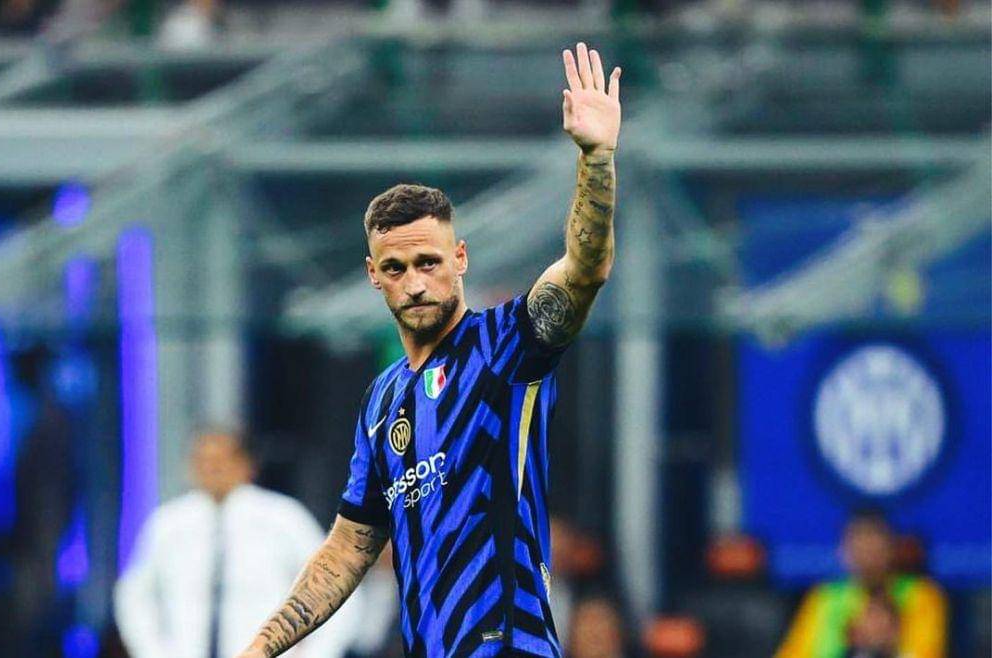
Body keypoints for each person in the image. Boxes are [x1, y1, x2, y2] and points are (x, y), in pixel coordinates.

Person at [236, 41, 621, 658]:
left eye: (429, 262)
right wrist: (261, 646)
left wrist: (596, 159)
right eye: (396, 267)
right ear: (374, 275)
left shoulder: (505, 343)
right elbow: (349, 547)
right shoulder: (383, 400)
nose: (415, 282)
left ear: (459, 259)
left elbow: (585, 270)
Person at [115, 428, 363, 658]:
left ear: (246, 464)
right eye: (203, 461)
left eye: (220, 461)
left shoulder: (283, 519)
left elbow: (338, 587)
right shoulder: (168, 524)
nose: (211, 469)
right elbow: (134, 598)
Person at [775, 510, 948, 658]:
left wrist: (885, 649)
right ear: (843, 551)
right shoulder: (825, 596)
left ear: (891, 548)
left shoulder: (920, 594)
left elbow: (926, 652)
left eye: (875, 548)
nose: (867, 558)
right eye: (860, 548)